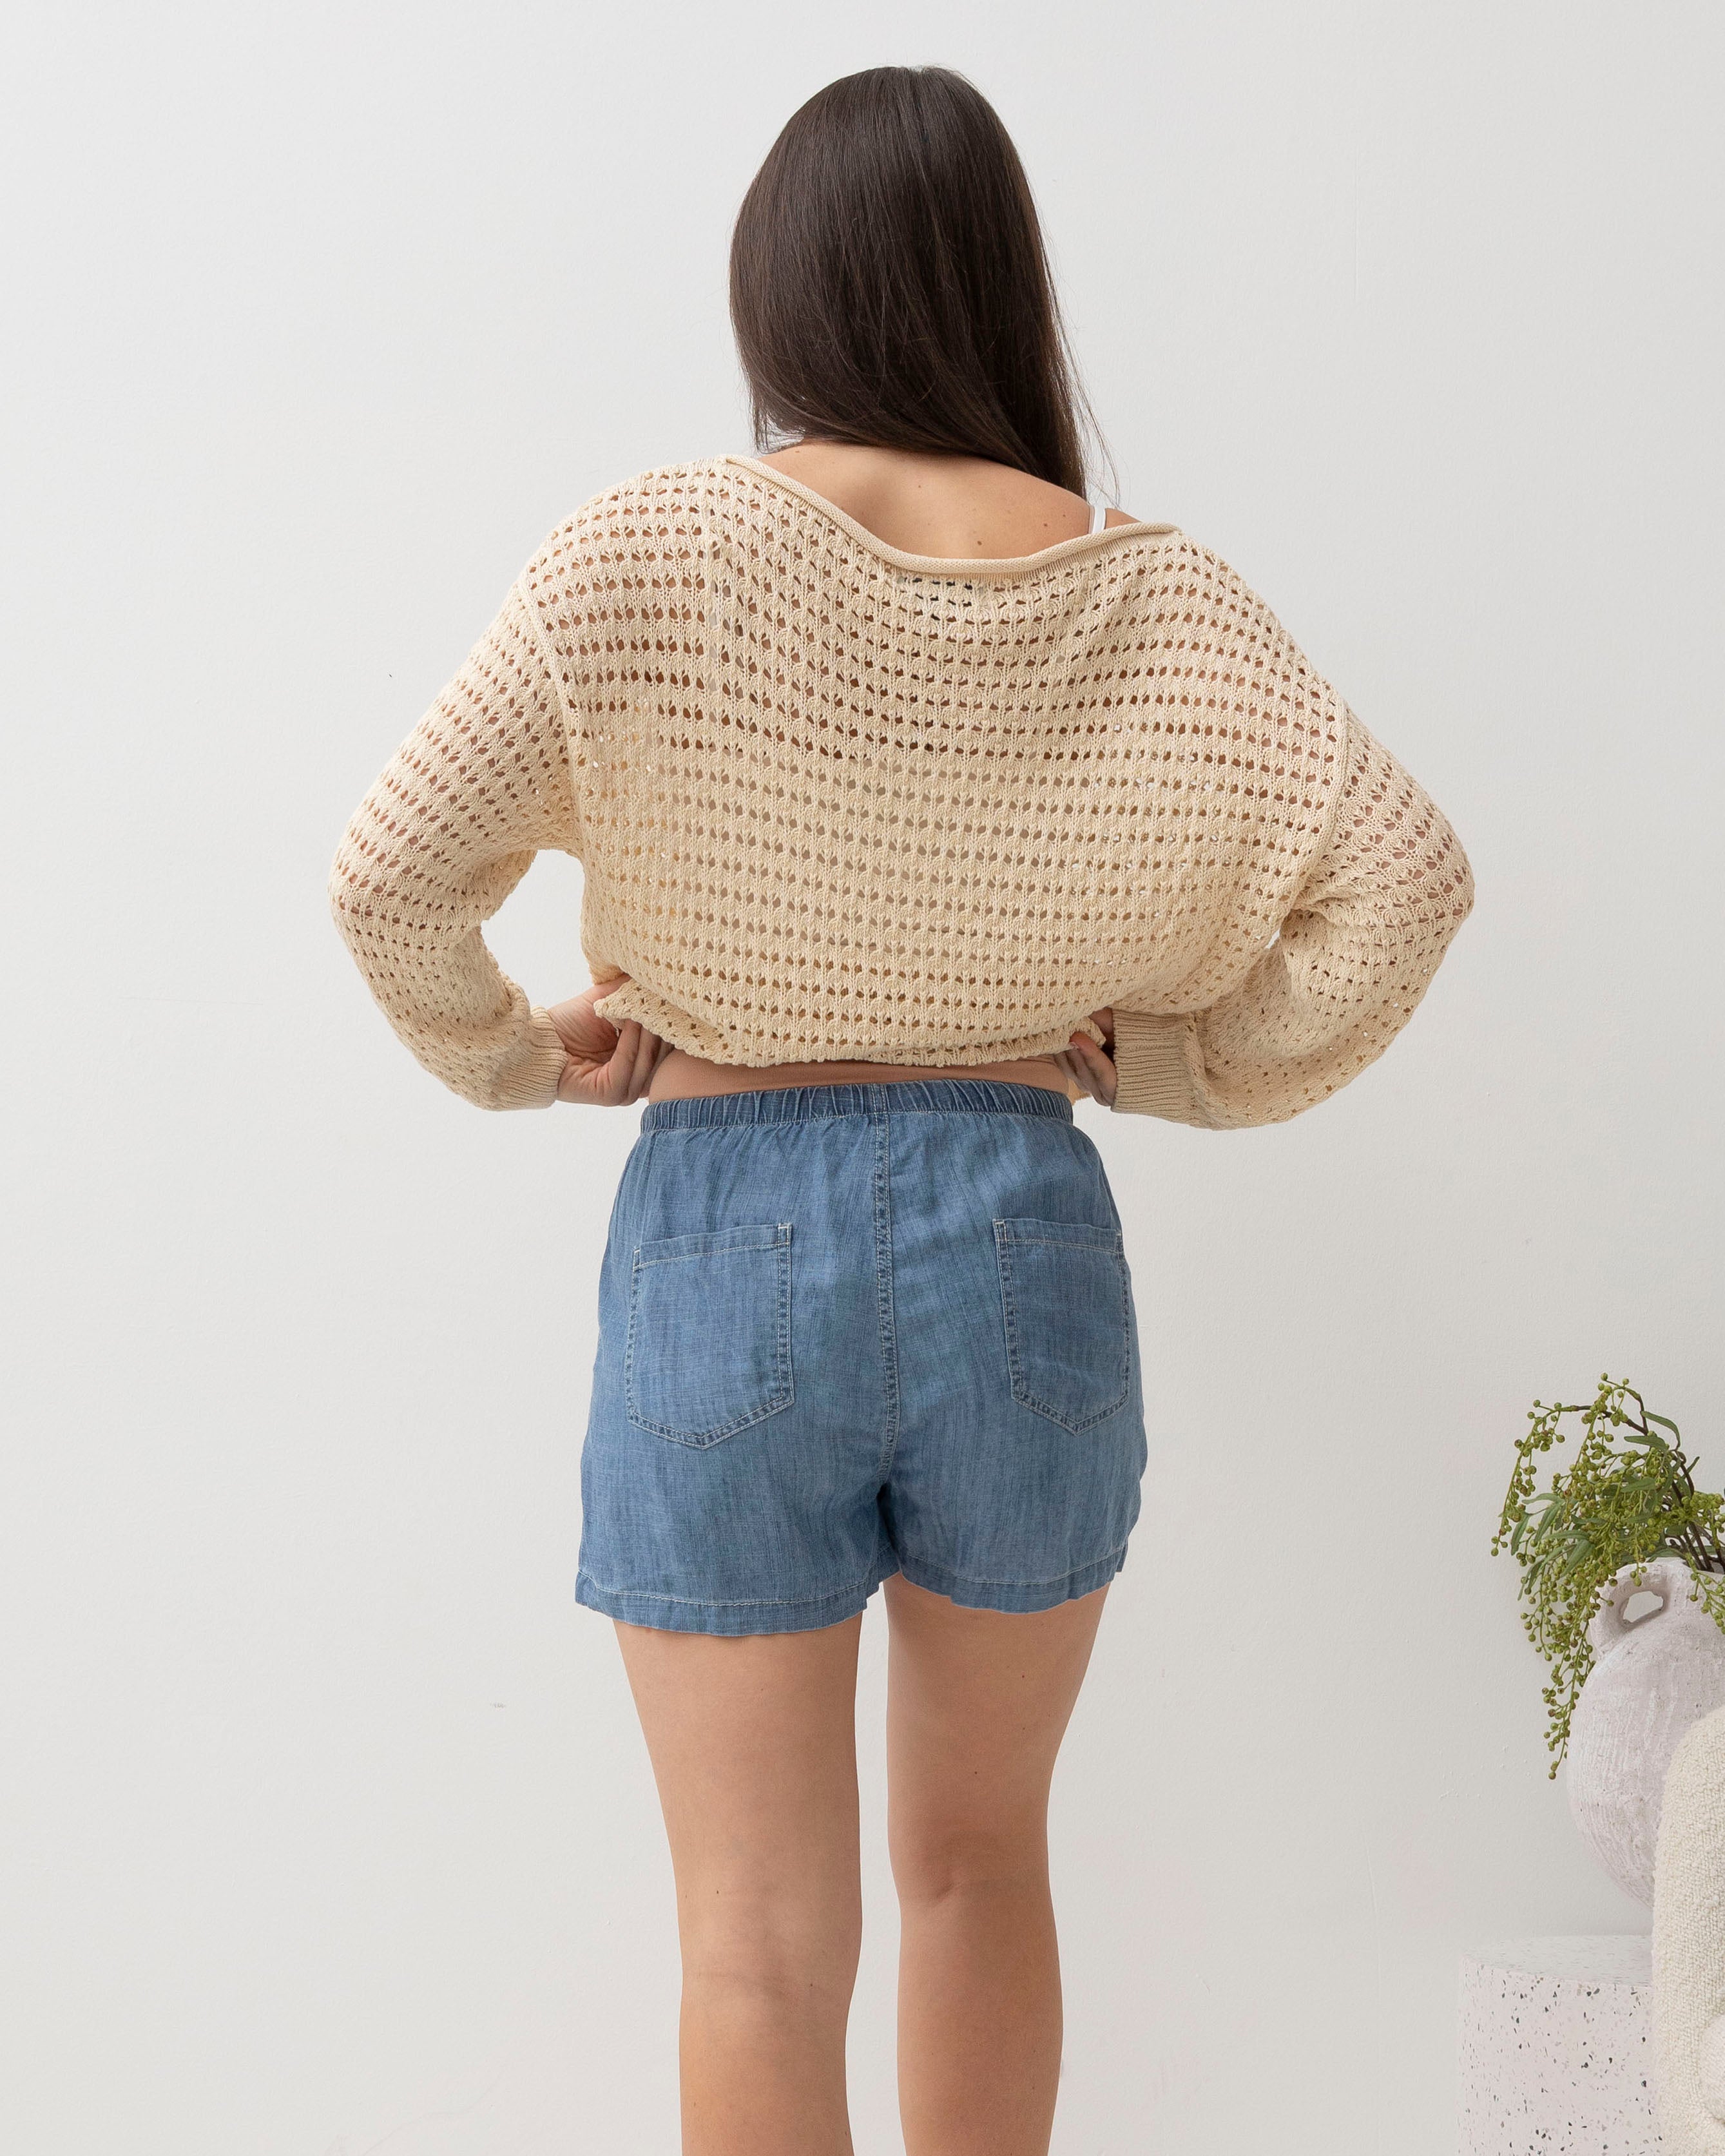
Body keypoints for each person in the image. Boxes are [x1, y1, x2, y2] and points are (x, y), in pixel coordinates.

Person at [328, 63, 1474, 2156]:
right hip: (1022, 1234)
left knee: (754, 1942)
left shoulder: (644, 550)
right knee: (980, 1869)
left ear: (782, 293)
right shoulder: (1160, 595)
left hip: (715, 1245)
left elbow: (384, 872)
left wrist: (528, 1053)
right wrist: (1188, 1064)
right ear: (997, 295)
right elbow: (1410, 879)